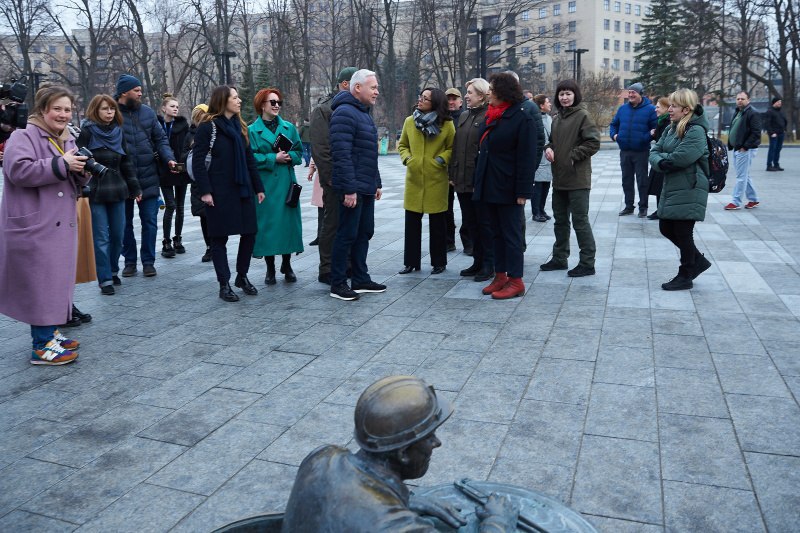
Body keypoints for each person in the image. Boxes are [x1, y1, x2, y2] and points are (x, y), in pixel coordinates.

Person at [281, 375, 519, 532]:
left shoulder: (322, 457)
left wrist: (404, 500)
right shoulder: (403, 529)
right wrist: (498, 523)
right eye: (429, 437)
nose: (437, 444)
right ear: (403, 453)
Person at [0, 85, 89, 365]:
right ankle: (41, 345)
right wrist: (61, 164)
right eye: (57, 109)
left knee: (56, 280)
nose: (63, 115)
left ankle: (51, 331)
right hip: (36, 225)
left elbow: (70, 175)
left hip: (59, 223)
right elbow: (17, 170)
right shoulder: (23, 136)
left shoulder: (66, 138)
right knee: (41, 283)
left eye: (67, 109)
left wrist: (82, 171)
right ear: (43, 110)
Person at [192, 85, 265, 302]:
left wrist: (258, 187)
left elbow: (249, 159)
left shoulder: (240, 126)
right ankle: (224, 283)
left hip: (242, 189)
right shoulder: (208, 127)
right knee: (219, 238)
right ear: (223, 101)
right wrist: (205, 191)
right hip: (218, 191)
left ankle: (242, 276)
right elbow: (198, 161)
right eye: (235, 97)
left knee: (250, 233)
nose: (239, 100)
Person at [472, 72, 538, 299]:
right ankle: (500, 276)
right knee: (495, 234)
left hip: (509, 187)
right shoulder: (492, 115)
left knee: (511, 235)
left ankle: (516, 280)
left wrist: (523, 191)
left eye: (492, 89)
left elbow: (527, 157)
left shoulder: (522, 117)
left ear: (503, 92)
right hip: (490, 185)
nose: (489, 92)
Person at [328, 69, 386, 301]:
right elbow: (341, 155)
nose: (377, 92)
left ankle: (361, 278)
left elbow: (367, 153)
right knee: (347, 234)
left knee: (364, 232)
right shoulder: (344, 113)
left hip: (366, 185)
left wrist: (376, 182)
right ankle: (338, 283)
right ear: (357, 88)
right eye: (373, 87)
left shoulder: (362, 112)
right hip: (352, 187)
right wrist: (349, 189)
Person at [76, 94, 142, 296]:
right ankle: (104, 279)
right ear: (96, 109)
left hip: (118, 188)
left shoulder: (118, 132)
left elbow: (127, 163)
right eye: (105, 109)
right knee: (101, 237)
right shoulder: (87, 131)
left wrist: (135, 188)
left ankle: (113, 270)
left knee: (118, 235)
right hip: (96, 189)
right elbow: (78, 156)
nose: (109, 112)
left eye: (112, 109)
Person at [649, 88, 712, 290]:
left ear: (686, 109)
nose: (669, 110)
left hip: (690, 187)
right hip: (674, 186)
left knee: (683, 232)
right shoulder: (672, 128)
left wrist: (662, 161)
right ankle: (698, 262)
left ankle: (686, 275)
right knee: (665, 227)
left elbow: (680, 159)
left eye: (674, 106)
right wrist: (662, 161)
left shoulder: (696, 131)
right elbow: (654, 150)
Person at [115, 74, 177, 278]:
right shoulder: (111, 113)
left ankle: (149, 261)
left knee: (149, 221)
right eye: (136, 89)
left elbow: (160, 140)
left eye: (141, 89)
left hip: (148, 176)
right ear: (124, 92)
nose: (140, 93)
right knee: (124, 224)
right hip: (122, 178)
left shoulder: (148, 113)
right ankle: (130, 261)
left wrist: (168, 158)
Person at [540, 79, 601, 278]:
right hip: (559, 178)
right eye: (561, 94)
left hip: (578, 179)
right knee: (560, 221)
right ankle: (559, 257)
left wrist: (572, 156)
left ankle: (587, 262)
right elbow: (551, 141)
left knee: (580, 221)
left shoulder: (583, 116)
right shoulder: (557, 118)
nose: (564, 97)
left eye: (568, 93)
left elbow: (593, 142)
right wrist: (549, 149)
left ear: (575, 95)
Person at [249, 87, 304, 284]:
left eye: (278, 102)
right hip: (266, 186)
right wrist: (273, 158)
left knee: (288, 224)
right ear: (261, 105)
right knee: (268, 225)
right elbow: (250, 158)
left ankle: (287, 264)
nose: (276, 105)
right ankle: (270, 267)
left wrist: (290, 157)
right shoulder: (252, 130)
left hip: (287, 183)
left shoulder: (289, 127)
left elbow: (300, 151)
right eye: (272, 102)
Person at [398, 88, 455, 275]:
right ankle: (410, 262)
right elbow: (403, 144)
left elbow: (452, 148)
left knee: (438, 224)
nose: (420, 100)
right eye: (420, 96)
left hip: (437, 179)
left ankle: (439, 262)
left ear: (435, 103)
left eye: (425, 98)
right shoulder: (409, 121)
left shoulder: (446, 124)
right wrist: (408, 159)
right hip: (414, 179)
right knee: (411, 224)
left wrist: (440, 160)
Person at [310, 66, 357, 285]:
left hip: (352, 178)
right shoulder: (323, 110)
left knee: (349, 224)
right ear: (346, 84)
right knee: (331, 223)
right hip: (335, 179)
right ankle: (326, 268)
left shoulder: (357, 108)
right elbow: (321, 148)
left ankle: (346, 263)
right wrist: (330, 178)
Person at [451, 78, 491, 282]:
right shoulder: (464, 116)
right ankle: (477, 261)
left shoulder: (488, 116)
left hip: (479, 180)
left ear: (482, 95)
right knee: (470, 223)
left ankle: (487, 264)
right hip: (462, 180)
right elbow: (456, 147)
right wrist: (452, 175)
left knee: (484, 223)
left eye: (470, 92)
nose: (466, 96)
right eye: (466, 92)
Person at [609, 82, 658, 217]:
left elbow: (655, 129)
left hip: (641, 151)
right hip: (625, 151)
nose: (630, 95)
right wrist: (614, 135)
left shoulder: (650, 109)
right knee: (627, 180)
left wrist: (646, 137)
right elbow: (613, 124)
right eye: (629, 92)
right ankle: (629, 206)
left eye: (633, 93)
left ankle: (643, 207)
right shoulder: (622, 109)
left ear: (640, 94)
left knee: (642, 181)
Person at [157, 94, 191, 258]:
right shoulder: (157, 125)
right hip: (164, 170)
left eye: (177, 107)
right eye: (172, 106)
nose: (175, 109)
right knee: (170, 205)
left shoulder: (183, 125)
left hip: (180, 170)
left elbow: (186, 147)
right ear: (164, 108)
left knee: (180, 207)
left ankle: (178, 239)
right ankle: (166, 241)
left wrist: (182, 164)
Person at [724, 91, 762, 210]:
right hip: (738, 148)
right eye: (738, 98)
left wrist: (745, 146)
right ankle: (753, 199)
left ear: (748, 100)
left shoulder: (752, 113)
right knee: (745, 175)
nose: (740, 100)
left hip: (745, 150)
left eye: (743, 99)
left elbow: (756, 133)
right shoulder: (738, 112)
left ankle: (736, 202)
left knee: (741, 176)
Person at [187, 103, 213, 262]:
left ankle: (215, 244)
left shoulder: (214, 132)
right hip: (198, 182)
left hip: (212, 178)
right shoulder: (190, 135)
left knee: (213, 215)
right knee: (204, 216)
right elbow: (185, 155)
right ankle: (209, 246)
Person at [445, 87, 464, 253]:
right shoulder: (441, 118)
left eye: (454, 99)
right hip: (445, 170)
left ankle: (469, 242)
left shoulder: (465, 118)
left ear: (460, 102)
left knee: (467, 207)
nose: (451, 102)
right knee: (446, 207)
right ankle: (448, 240)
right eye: (448, 99)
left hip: (463, 169)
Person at [645, 96, 671, 220]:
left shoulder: (668, 122)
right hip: (658, 158)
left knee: (662, 186)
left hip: (663, 159)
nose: (655, 109)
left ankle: (663, 210)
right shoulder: (661, 121)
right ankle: (659, 210)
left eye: (658, 107)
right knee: (657, 186)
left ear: (666, 108)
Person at [531, 94, 553, 222]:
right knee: (538, 187)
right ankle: (536, 212)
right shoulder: (534, 119)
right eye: (547, 102)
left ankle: (542, 209)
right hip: (539, 157)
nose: (550, 104)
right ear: (541, 105)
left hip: (548, 158)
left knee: (546, 186)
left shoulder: (549, 118)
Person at [765, 96, 786, 171]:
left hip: (781, 133)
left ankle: (776, 164)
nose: (780, 103)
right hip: (774, 134)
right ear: (774, 103)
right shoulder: (770, 111)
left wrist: (784, 129)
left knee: (778, 149)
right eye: (778, 102)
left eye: (780, 102)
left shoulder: (780, 111)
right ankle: (769, 165)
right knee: (772, 149)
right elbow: (767, 124)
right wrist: (771, 133)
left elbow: (784, 121)